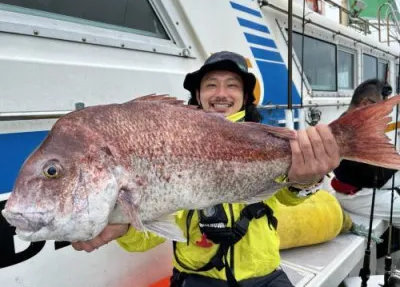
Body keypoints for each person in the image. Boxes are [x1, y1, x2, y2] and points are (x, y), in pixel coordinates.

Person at [71, 51, 341, 287]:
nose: (221, 94)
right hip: (198, 277)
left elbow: (287, 197)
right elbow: (151, 236)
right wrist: (125, 228)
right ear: (198, 95)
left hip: (264, 274)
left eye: (232, 86)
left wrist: (308, 180)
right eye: (211, 85)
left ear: (245, 97)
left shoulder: (266, 139)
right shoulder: (172, 144)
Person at [331, 78, 400, 227]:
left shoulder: (353, 124)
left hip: (379, 183)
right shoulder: (345, 132)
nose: (384, 114)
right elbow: (374, 174)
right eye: (381, 109)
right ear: (365, 104)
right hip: (360, 195)